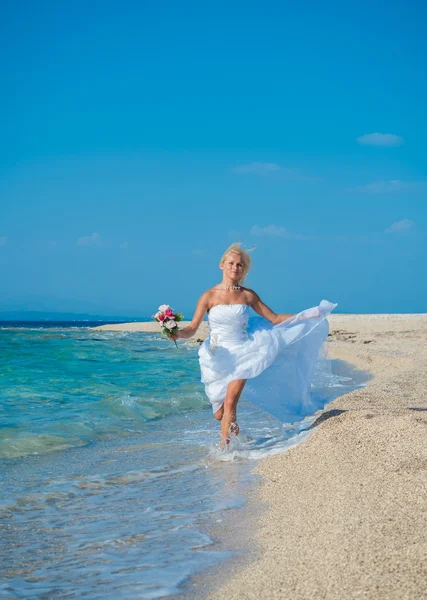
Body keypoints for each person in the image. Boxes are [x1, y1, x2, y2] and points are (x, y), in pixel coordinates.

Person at [172, 243, 336, 446]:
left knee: (231, 401)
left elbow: (275, 318)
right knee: (220, 413)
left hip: (244, 352)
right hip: (217, 356)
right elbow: (193, 328)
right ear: (221, 265)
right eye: (231, 263)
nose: (235, 268)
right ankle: (233, 429)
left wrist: (309, 315)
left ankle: (225, 450)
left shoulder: (248, 295)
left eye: (240, 265)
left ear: (244, 269)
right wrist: (177, 334)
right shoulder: (209, 296)